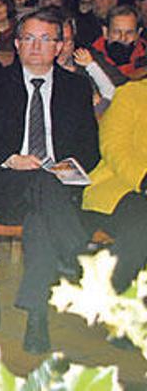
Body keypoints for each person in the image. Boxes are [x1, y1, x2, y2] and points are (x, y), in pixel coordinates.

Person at [0, 8, 99, 354]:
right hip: (7, 181)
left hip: (57, 187)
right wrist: (10, 158)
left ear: (60, 46)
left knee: (40, 220)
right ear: (16, 43)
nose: (36, 46)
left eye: (46, 39)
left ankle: (37, 318)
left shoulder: (75, 87)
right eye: (28, 38)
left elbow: (90, 147)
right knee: (39, 187)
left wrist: (68, 165)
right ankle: (74, 247)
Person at [82, 78, 147, 294]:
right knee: (141, 224)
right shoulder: (130, 94)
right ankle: (117, 301)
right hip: (120, 186)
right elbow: (114, 147)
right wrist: (143, 179)